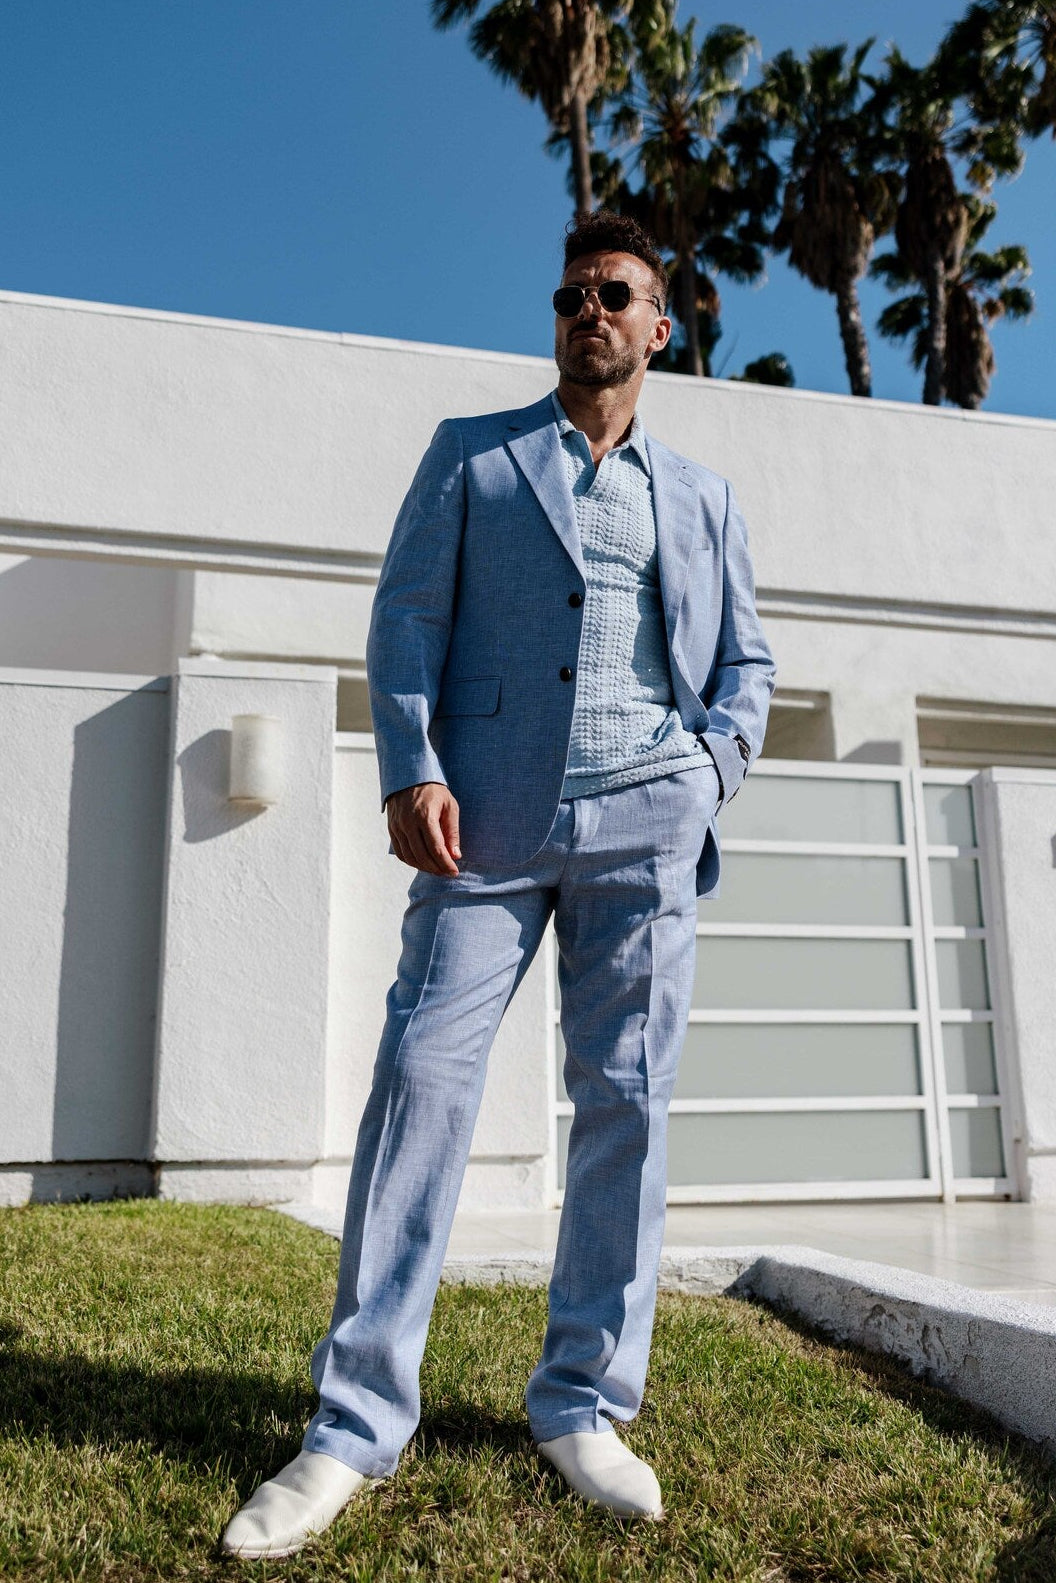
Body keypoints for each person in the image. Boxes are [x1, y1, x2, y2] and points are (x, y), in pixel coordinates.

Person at [222, 209, 775, 1560]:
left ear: (660, 328)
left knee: (625, 1107)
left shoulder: (701, 496)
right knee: (422, 1081)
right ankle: (353, 1425)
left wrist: (709, 772)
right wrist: (411, 765)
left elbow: (746, 664)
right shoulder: (473, 458)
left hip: (647, 821)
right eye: (574, 291)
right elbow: (407, 614)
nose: (590, 308)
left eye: (618, 293)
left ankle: (585, 1400)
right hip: (486, 828)